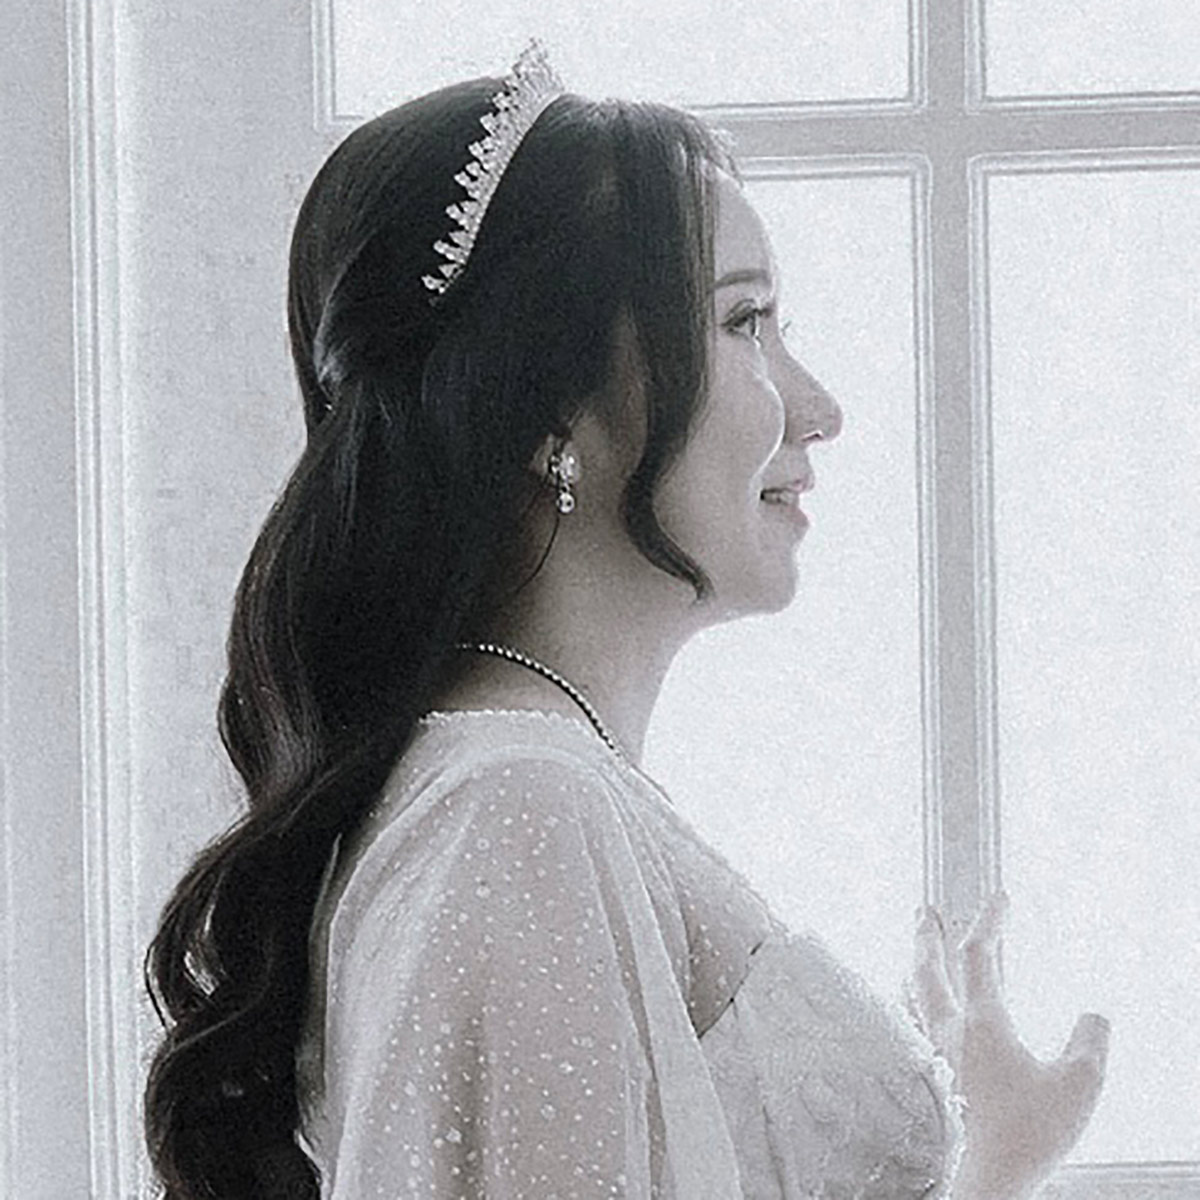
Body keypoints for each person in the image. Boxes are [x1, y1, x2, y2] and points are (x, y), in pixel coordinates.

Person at [143, 43, 1110, 1200]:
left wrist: (998, 1163)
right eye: (744, 321)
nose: (819, 408)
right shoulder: (516, 811)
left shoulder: (532, 790)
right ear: (553, 407)